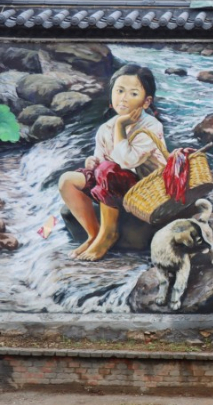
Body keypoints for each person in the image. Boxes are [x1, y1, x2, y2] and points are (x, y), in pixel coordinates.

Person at [58, 64, 167, 261]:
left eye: (133, 93)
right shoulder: (105, 128)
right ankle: (93, 234)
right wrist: (92, 162)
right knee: (67, 180)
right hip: (112, 183)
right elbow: (101, 159)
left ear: (146, 102)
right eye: (119, 91)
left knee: (107, 169)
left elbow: (127, 161)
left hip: (143, 187)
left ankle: (108, 234)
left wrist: (120, 126)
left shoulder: (151, 126)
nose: (123, 98)